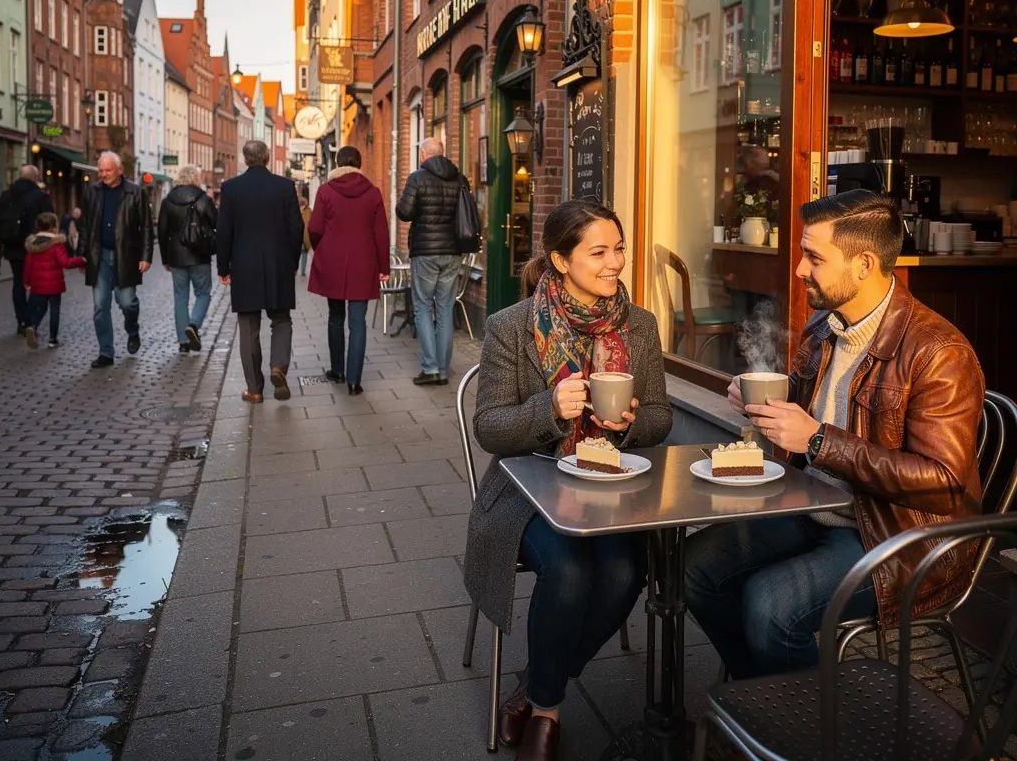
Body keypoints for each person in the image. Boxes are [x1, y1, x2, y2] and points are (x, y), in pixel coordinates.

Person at [684, 189, 984, 680]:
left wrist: (818, 440)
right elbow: (810, 413)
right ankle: (757, 697)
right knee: (696, 568)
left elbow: (944, 482)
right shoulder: (826, 326)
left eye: (815, 258)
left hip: (895, 535)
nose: (800, 269)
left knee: (770, 605)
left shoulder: (939, 352)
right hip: (814, 507)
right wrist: (765, 403)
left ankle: (808, 719)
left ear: (864, 264)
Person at [463, 201, 672, 761]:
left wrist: (628, 426)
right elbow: (489, 427)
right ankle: (547, 711)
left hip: (613, 485)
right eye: (598, 252)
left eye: (619, 249)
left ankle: (532, 684)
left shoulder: (640, 325)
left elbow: (660, 416)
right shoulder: (511, 326)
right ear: (561, 260)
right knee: (571, 567)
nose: (615, 263)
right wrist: (549, 409)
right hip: (527, 488)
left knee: (626, 570)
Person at [216, 140, 303, 403]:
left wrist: (223, 267)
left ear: (245, 159)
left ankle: (254, 389)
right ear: (267, 158)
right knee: (281, 320)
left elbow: (224, 231)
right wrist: (292, 262)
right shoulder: (285, 186)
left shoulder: (231, 188)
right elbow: (296, 228)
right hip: (278, 263)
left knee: (248, 327)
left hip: (244, 266)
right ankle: (278, 366)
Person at [308, 146, 390, 395]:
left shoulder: (325, 191)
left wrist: (321, 248)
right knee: (358, 323)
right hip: (363, 264)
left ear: (337, 163)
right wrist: (384, 266)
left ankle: (337, 370)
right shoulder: (373, 193)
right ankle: (354, 381)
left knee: (335, 317)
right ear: (359, 164)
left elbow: (314, 228)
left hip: (332, 262)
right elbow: (381, 233)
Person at [395, 137, 463, 387]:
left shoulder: (417, 178)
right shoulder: (459, 178)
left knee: (423, 306)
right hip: (453, 251)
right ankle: (443, 370)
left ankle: (430, 368)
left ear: (423, 155)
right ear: (442, 153)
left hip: (425, 251)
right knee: (445, 308)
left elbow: (404, 212)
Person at [78, 152, 154, 368]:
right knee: (100, 306)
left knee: (127, 301)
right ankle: (106, 352)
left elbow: (146, 226)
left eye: (108, 170)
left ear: (119, 170)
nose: (104, 174)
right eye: (101, 170)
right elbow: (85, 225)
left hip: (126, 255)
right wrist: (82, 255)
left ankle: (132, 329)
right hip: (99, 255)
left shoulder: (135, 192)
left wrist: (146, 256)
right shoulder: (92, 191)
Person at [157, 166, 218, 354]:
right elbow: (216, 222)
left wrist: (165, 258)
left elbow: (162, 231)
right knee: (203, 294)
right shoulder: (203, 199)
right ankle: (193, 324)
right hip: (199, 255)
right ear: (195, 178)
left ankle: (183, 342)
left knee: (180, 298)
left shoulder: (168, 201)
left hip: (176, 257)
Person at [0, 164, 53, 334]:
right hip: (35, 246)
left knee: (18, 282)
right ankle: (30, 320)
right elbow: (50, 220)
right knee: (35, 283)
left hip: (12, 246)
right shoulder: (40, 196)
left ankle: (21, 321)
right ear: (35, 178)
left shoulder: (6, 195)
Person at [23, 212, 87, 348]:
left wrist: (27, 281)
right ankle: (52, 339)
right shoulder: (56, 244)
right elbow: (65, 262)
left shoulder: (32, 244)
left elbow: (28, 265)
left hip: (37, 284)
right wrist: (80, 260)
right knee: (54, 310)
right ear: (53, 227)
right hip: (54, 285)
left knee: (41, 308)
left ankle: (33, 326)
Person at [298, 193, 312, 277]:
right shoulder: (297, 212)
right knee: (302, 253)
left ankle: (302, 270)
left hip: (305, 236)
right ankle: (299, 269)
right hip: (300, 236)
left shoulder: (308, 211)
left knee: (304, 253)